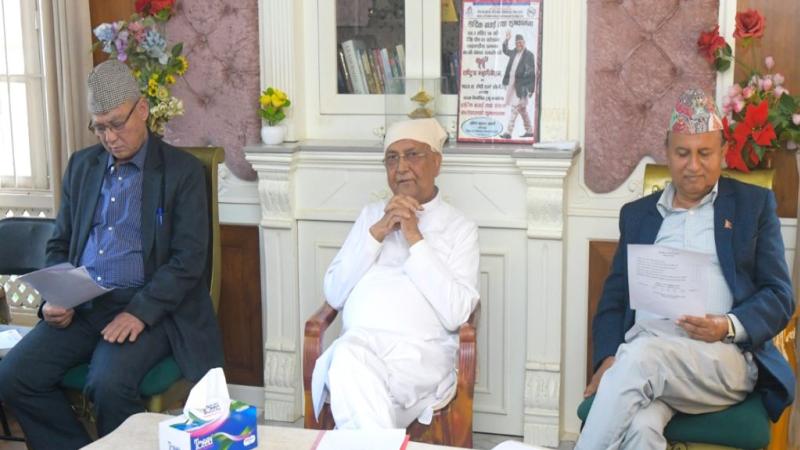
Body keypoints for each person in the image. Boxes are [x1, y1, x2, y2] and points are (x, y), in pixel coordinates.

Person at [0, 60, 224, 449]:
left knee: (107, 384)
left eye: (117, 124)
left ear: (142, 109)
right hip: (82, 305)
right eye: (99, 127)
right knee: (14, 376)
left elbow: (188, 260)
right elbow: (59, 243)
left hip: (149, 307)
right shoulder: (82, 166)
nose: (109, 137)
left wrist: (139, 312)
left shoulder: (181, 172)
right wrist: (56, 297)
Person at [576, 88, 795, 449]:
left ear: (723, 152)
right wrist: (609, 357)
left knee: (642, 359)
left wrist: (727, 325)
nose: (693, 165)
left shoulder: (752, 206)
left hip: (721, 357)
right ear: (667, 152)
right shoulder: (638, 215)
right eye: (682, 153)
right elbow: (614, 300)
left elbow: (779, 295)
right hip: (646, 354)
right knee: (640, 428)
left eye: (704, 153)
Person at [310, 118, 480, 429]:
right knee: (348, 360)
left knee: (358, 390)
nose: (401, 167)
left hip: (419, 356)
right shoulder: (371, 216)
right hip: (361, 347)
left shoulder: (460, 228)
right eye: (392, 158)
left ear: (437, 163)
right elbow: (334, 293)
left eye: (412, 154)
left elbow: (457, 313)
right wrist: (375, 234)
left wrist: (415, 238)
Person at [499, 31, 536, 139]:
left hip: (522, 87)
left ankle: (508, 132)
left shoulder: (529, 55)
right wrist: (507, 39)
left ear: (524, 42)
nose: (519, 44)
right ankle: (529, 130)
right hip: (512, 84)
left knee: (515, 108)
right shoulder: (513, 52)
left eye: (521, 42)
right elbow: (505, 50)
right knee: (522, 109)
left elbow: (531, 73)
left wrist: (531, 89)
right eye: (517, 43)